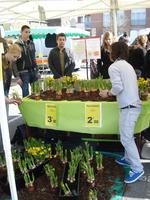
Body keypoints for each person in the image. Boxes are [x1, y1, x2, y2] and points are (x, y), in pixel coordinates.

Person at [100, 42, 144, 184]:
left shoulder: (114, 67)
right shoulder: (127, 65)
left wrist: (107, 93)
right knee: (126, 135)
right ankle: (127, 158)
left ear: (115, 52)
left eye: (110, 50)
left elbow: (118, 87)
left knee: (126, 138)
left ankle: (137, 168)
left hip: (129, 106)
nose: (109, 52)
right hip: (132, 105)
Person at [14, 25, 39, 97]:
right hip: (23, 72)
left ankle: (36, 107)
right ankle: (27, 108)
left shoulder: (31, 43)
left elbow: (34, 58)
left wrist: (37, 71)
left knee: (36, 92)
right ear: (21, 32)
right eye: (26, 32)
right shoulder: (16, 45)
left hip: (33, 71)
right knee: (26, 93)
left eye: (29, 32)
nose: (28, 34)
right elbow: (13, 63)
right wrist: (17, 77)